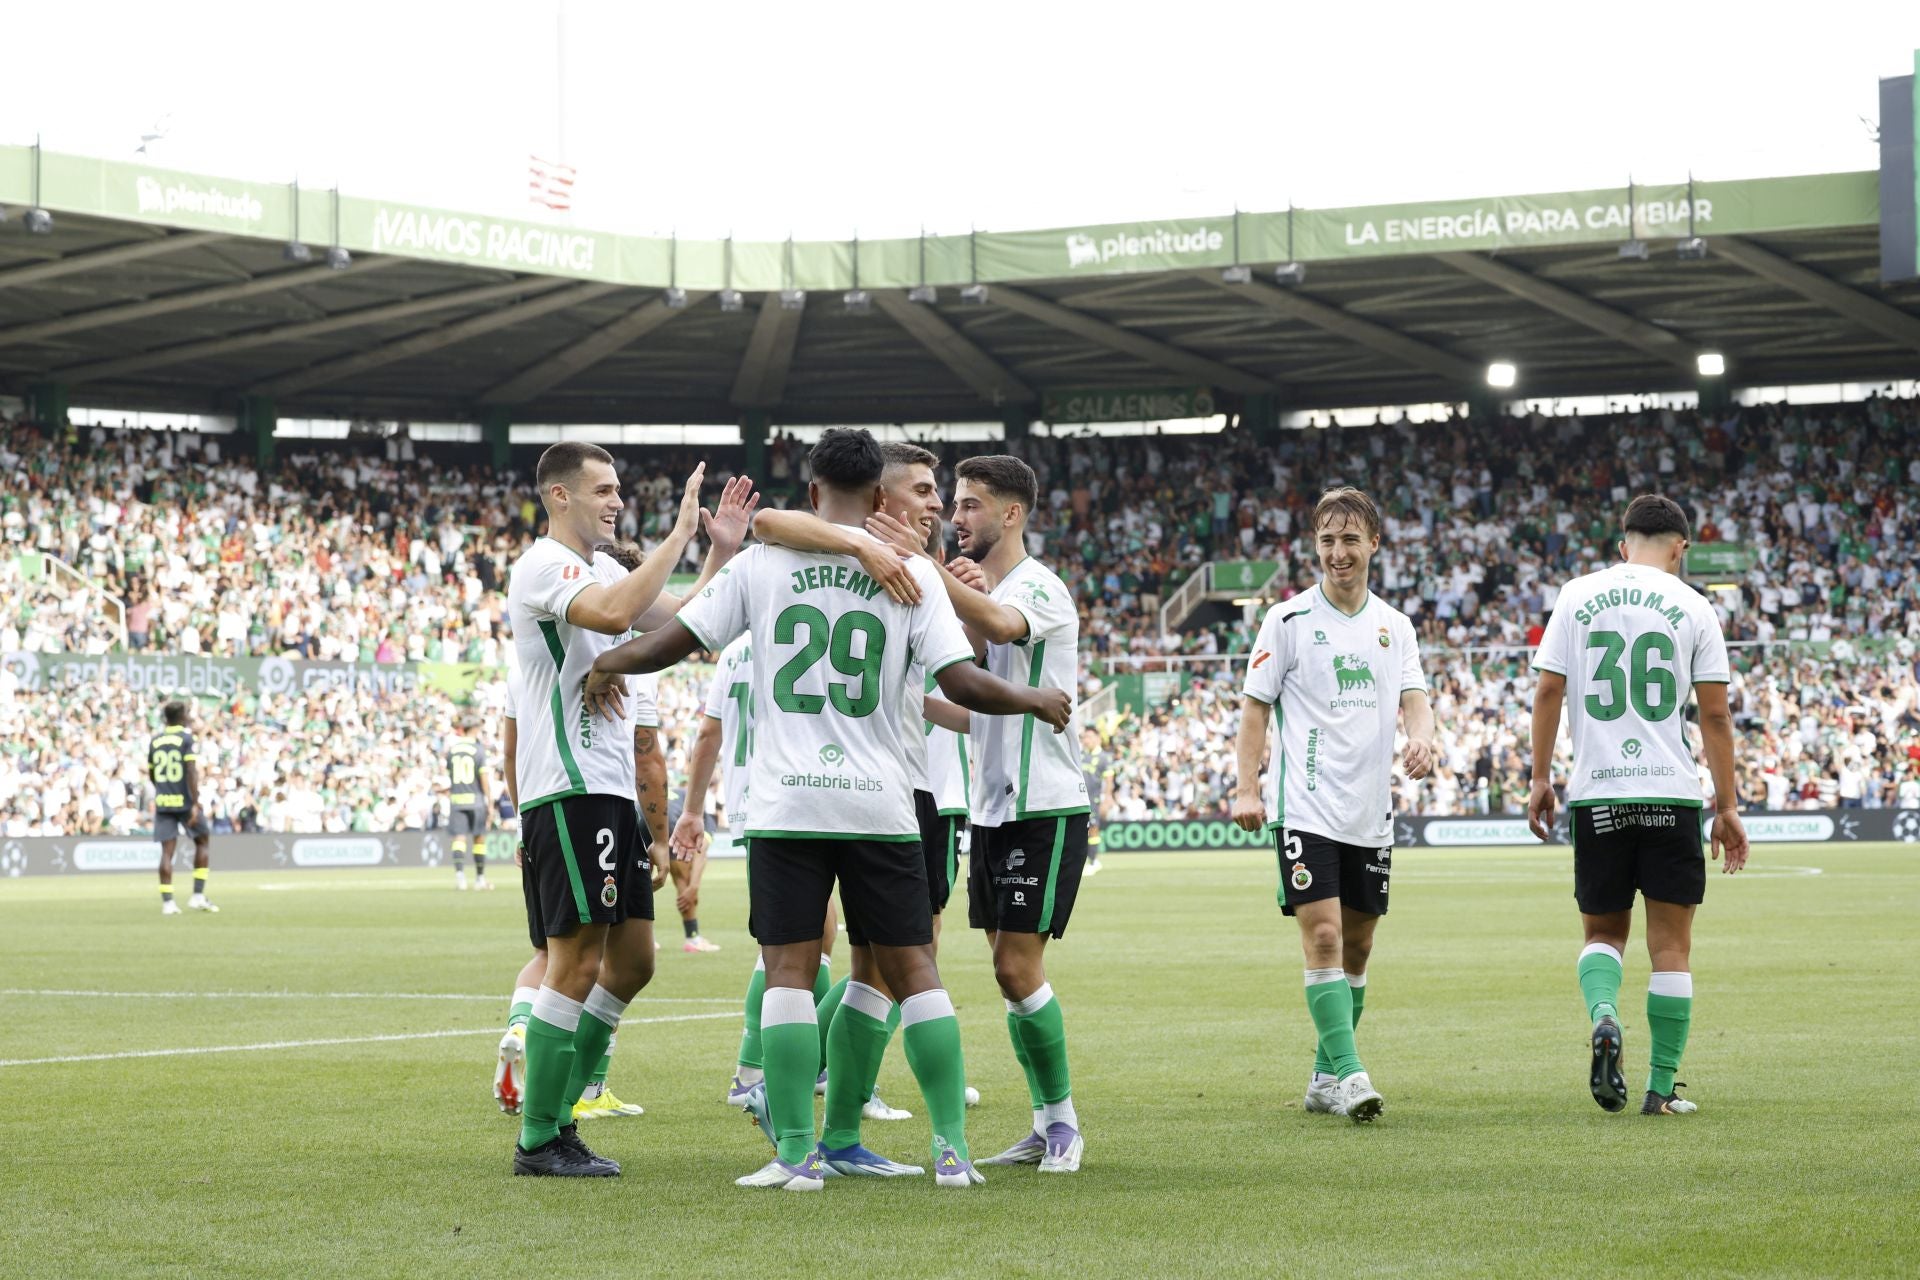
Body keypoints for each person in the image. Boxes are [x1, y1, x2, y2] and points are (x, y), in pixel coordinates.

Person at [591, 428, 1071, 1191]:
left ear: (814, 493)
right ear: (879, 499)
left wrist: (605, 663)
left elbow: (671, 642)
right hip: (882, 803)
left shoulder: (761, 563)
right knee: (916, 970)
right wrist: (1036, 698)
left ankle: (796, 1155)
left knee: (790, 969)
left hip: (788, 802)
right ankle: (952, 1151)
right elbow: (968, 684)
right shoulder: (909, 571)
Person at [504, 445, 755, 1178]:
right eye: (603, 490)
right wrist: (678, 535)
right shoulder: (544, 567)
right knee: (574, 960)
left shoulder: (607, 571)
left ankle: (563, 1105)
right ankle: (542, 1136)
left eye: (618, 490)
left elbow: (681, 621)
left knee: (635, 958)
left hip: (608, 788)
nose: (616, 501)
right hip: (571, 788)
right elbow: (615, 616)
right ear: (560, 496)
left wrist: (719, 552)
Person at [865, 453, 1093, 1173]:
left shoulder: (1039, 588)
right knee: (1005, 969)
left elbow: (999, 619)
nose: (957, 517)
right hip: (994, 811)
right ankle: (1043, 1121)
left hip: (1044, 806)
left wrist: (924, 564)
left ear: (1011, 514)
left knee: (1015, 965)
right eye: (954, 504)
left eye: (969, 505)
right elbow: (974, 709)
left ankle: (1063, 1124)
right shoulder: (986, 586)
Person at [1527, 494, 1749, 1117]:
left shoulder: (1577, 594)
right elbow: (1713, 713)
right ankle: (1660, 1088)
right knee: (1671, 948)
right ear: (1681, 548)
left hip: (1598, 792)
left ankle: (1604, 1015)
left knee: (1603, 934)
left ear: (1623, 546)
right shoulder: (1695, 606)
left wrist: (1541, 779)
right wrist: (1726, 806)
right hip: (1669, 793)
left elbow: (1548, 691)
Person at [1231, 487, 1437, 1123]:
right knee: (1321, 936)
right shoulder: (1287, 620)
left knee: (1358, 948)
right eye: (1327, 541)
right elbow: (1255, 708)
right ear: (1315, 547)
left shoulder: (1394, 626)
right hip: (1306, 808)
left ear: (1373, 543)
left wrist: (1423, 737)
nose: (1338, 553)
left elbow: (1415, 696)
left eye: (1350, 540)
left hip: (1368, 812)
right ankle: (1350, 1074)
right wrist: (1246, 786)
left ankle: (1323, 1073)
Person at [493, 663, 642, 1122]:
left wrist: (521, 821)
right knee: (587, 960)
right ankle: (563, 1104)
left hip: (542, 808)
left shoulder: (523, 670)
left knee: (553, 954)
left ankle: (521, 1027)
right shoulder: (607, 650)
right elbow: (647, 751)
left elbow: (510, 753)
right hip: (590, 799)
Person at [150, 700, 217, 915]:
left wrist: (163, 790)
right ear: (181, 717)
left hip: (164, 801)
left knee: (167, 852)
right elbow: (190, 771)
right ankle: (197, 896)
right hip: (184, 802)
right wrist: (195, 802)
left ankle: (168, 903)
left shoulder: (156, 740)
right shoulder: (186, 739)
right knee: (203, 840)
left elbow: (152, 773)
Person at [446, 717, 492, 891]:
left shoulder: (452, 750)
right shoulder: (478, 750)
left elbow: (450, 775)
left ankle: (460, 878)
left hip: (457, 800)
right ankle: (480, 879)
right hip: (476, 800)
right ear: (473, 729)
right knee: (479, 838)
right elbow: (484, 779)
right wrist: (489, 800)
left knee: (459, 839)